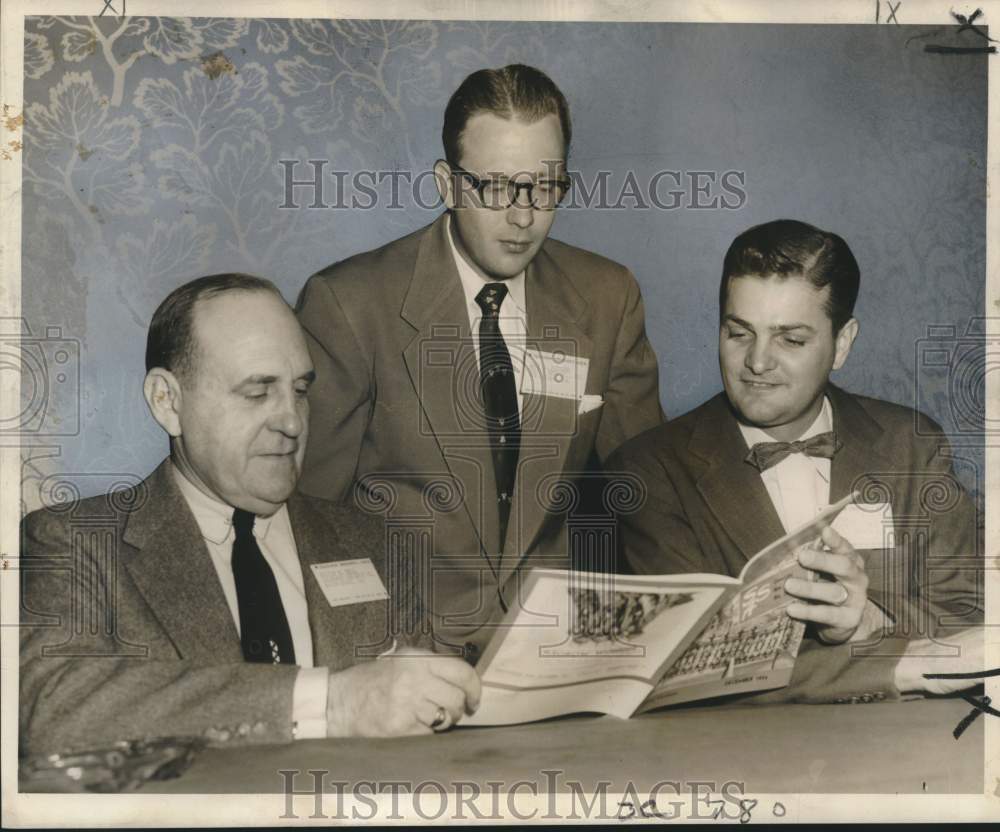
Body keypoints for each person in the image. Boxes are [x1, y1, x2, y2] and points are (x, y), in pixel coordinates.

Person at [19, 274, 480, 758]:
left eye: (300, 391)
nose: (291, 421)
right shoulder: (73, 544)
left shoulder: (372, 542)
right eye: (257, 392)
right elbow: (52, 709)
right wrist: (333, 701)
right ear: (167, 401)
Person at [296, 64, 664, 658]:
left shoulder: (606, 298)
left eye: (544, 187)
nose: (523, 216)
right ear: (447, 184)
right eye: (495, 187)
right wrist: (378, 656)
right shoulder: (350, 304)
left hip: (559, 654)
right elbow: (307, 520)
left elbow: (650, 498)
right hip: (401, 655)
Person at [607, 220, 983, 703]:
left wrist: (870, 617)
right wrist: (897, 663)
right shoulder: (646, 470)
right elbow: (683, 669)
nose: (758, 362)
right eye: (739, 333)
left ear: (842, 344)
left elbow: (974, 616)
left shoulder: (911, 445)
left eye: (791, 339)